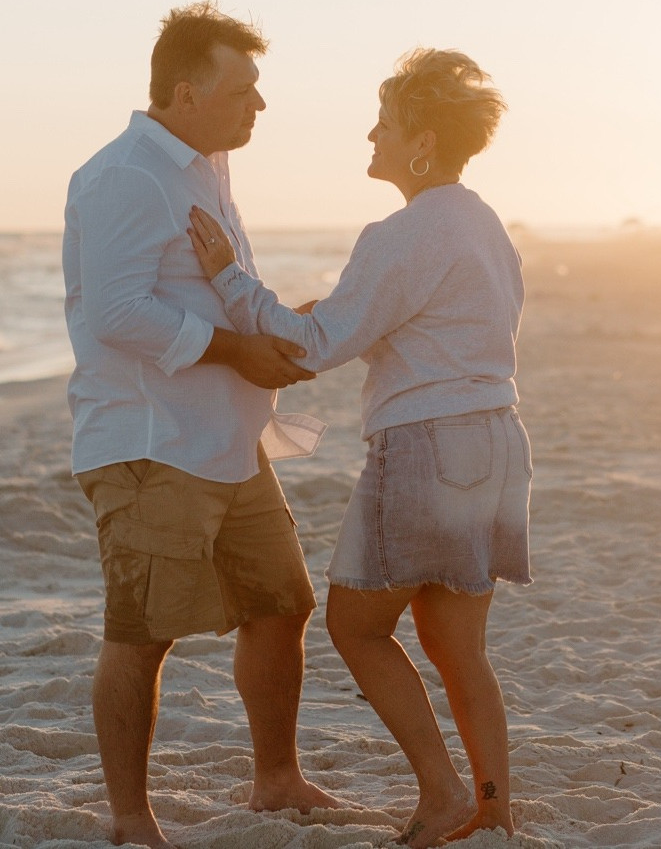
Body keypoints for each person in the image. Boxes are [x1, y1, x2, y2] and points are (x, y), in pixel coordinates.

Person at [188, 48, 532, 848]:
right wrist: (325, 319)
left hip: (425, 446)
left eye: (385, 123)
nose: (369, 135)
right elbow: (406, 324)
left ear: (421, 142)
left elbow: (316, 344)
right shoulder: (484, 223)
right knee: (457, 646)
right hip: (498, 440)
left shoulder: (401, 232)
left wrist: (231, 279)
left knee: (355, 626)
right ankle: (494, 810)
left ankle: (445, 796)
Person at [63, 1, 340, 849]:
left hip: (228, 440)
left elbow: (200, 291)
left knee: (282, 604)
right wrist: (237, 351)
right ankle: (130, 819)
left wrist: (277, 331)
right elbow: (116, 313)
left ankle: (276, 779)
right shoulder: (125, 175)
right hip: (150, 443)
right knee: (142, 634)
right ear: (186, 92)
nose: (258, 106)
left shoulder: (205, 164)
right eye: (244, 90)